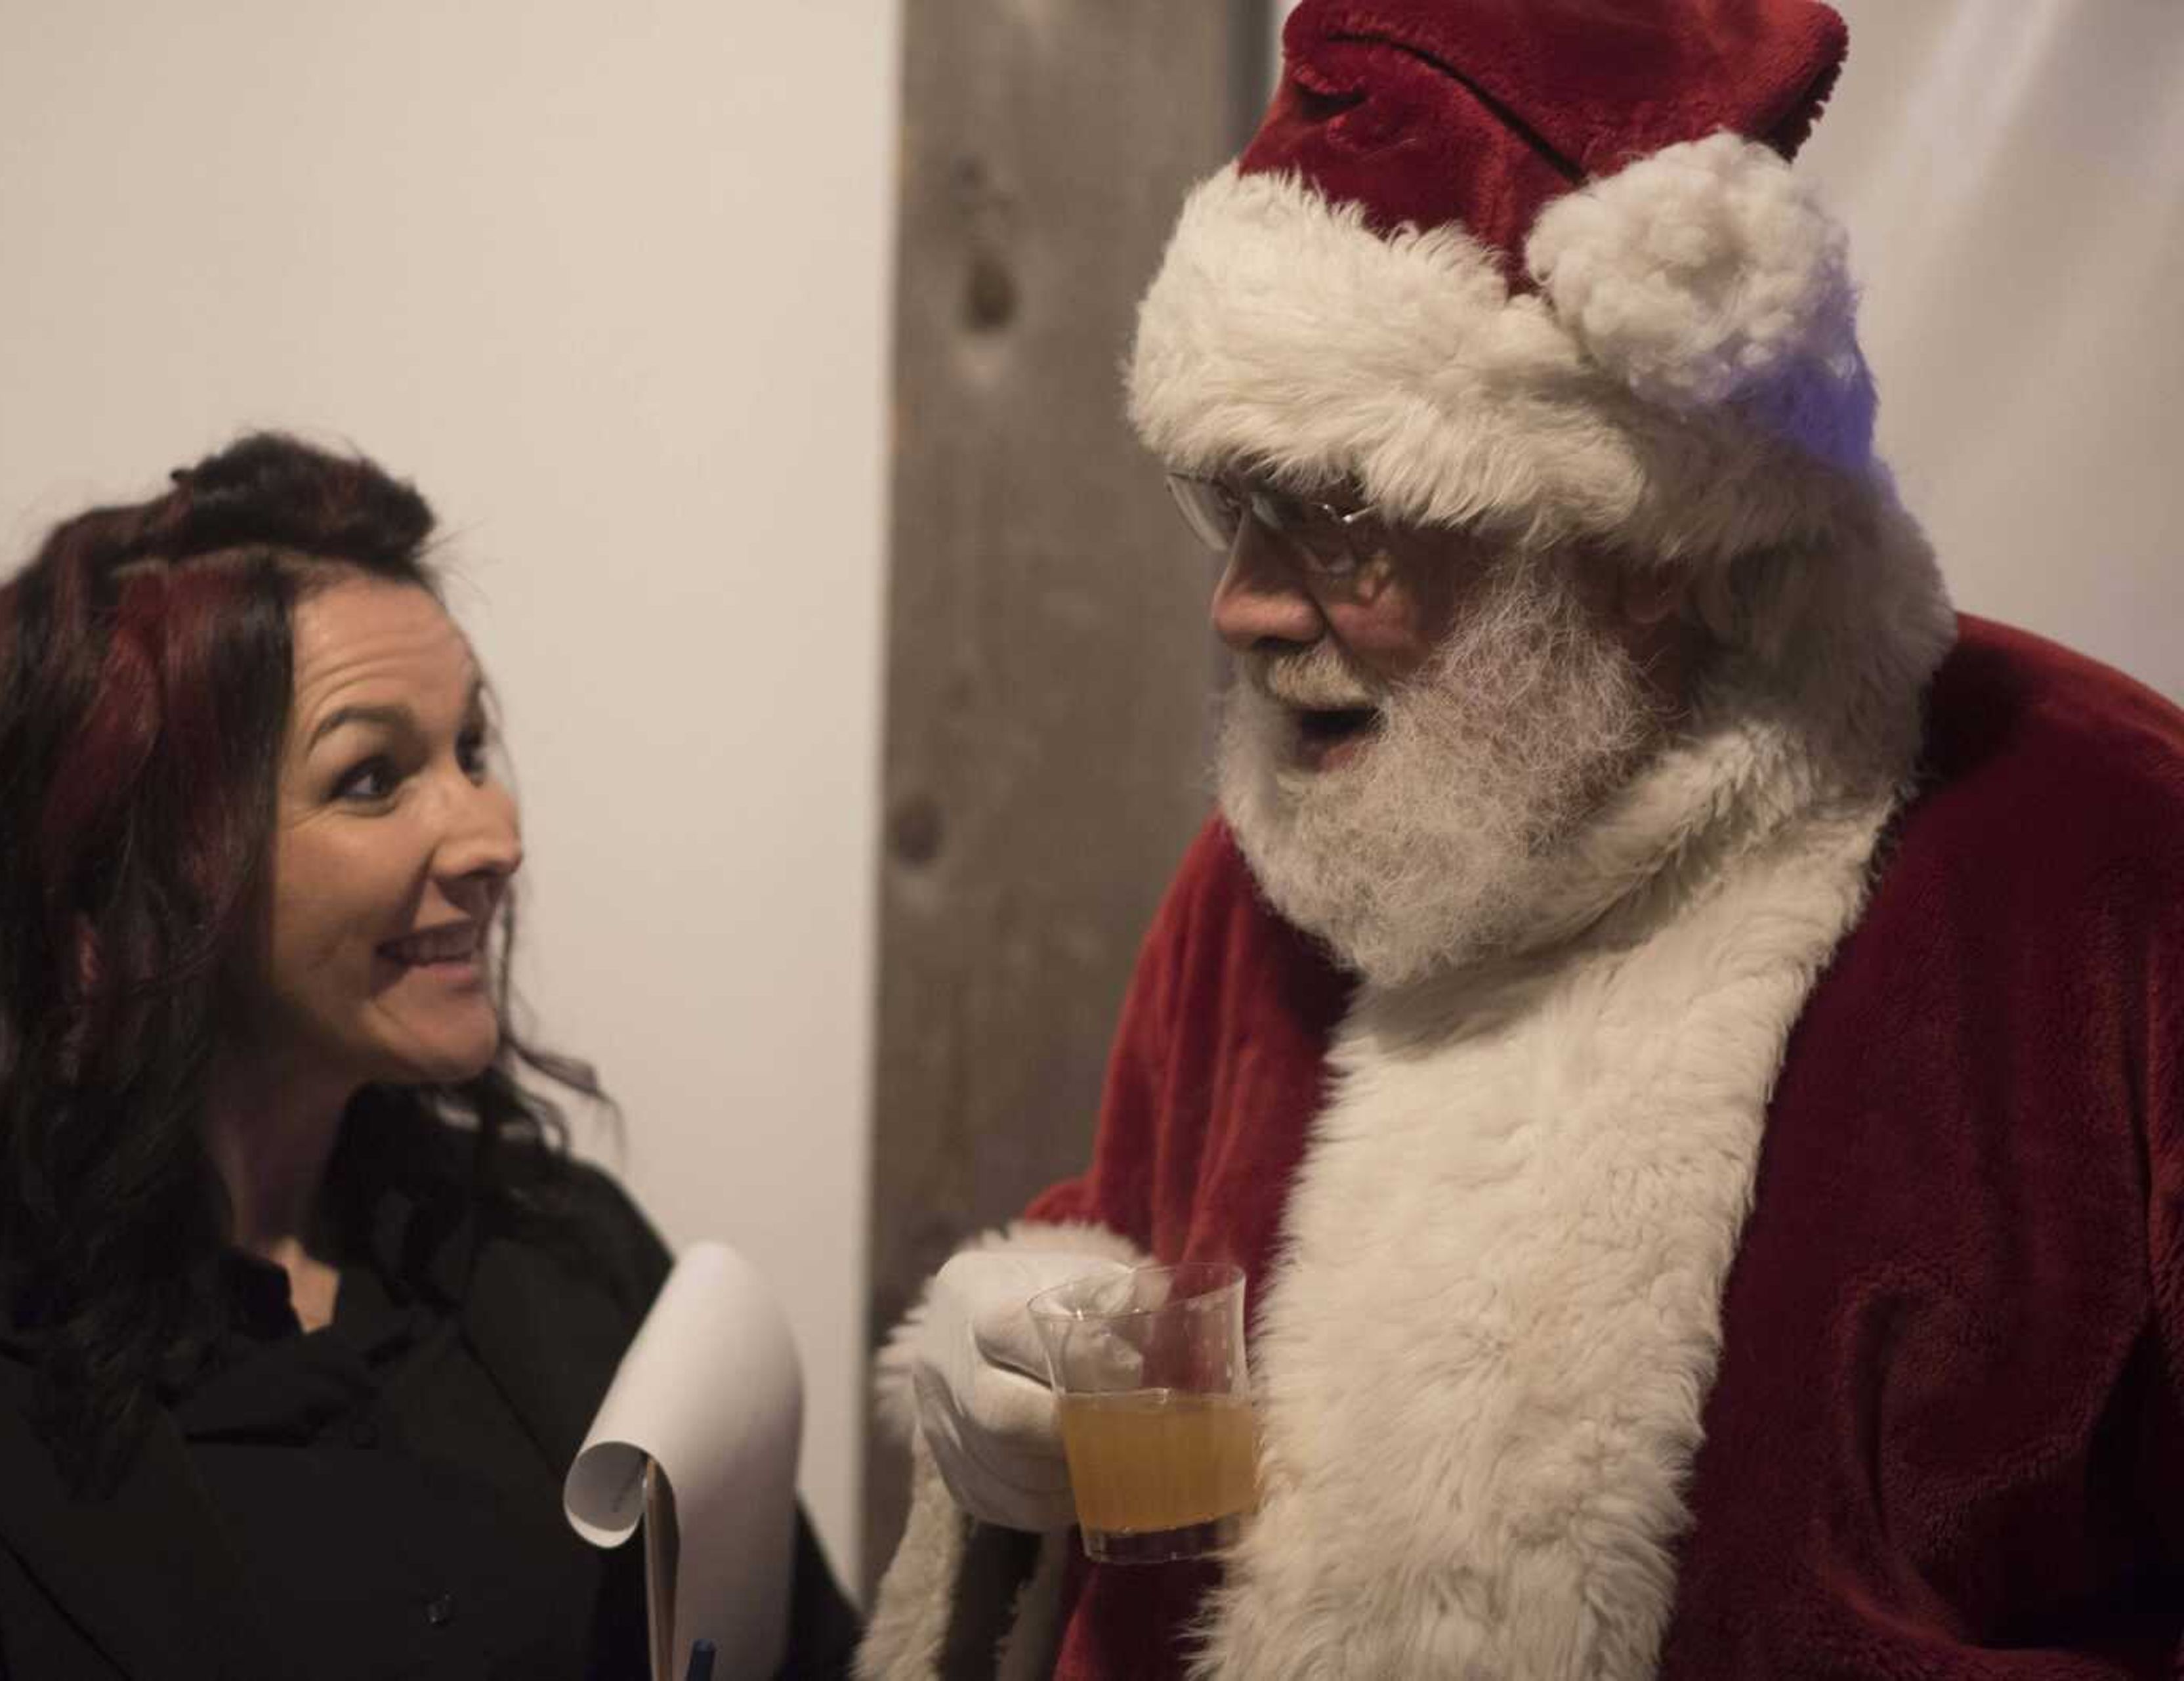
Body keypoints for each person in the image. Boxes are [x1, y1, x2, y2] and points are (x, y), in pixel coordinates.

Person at [864, 1, 2184, 1677]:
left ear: (1638, 525)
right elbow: (1141, 1244)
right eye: (1229, 501)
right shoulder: (1272, 869)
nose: (1244, 604)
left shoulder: (2101, 863)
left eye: (1338, 513)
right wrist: (1009, 1397)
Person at [0, 435, 858, 1679]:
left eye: (470, 750)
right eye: (373, 777)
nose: (491, 834)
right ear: (118, 888)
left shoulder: (569, 1254)